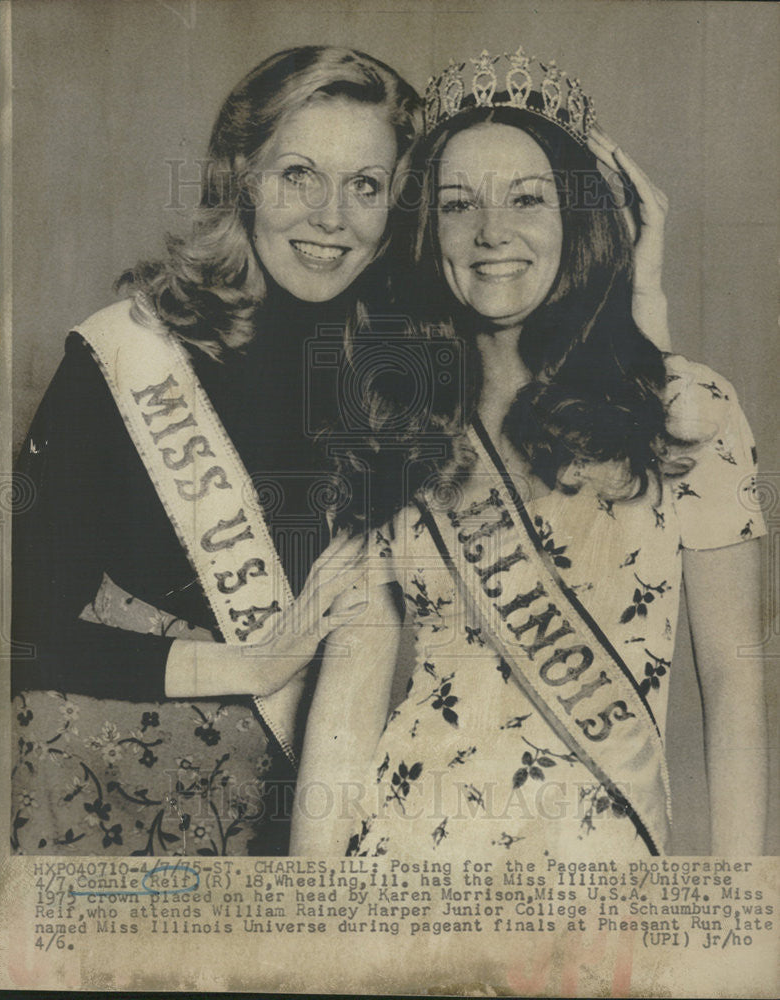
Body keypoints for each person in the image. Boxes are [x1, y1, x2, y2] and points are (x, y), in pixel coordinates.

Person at [291, 49, 768, 858]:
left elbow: (734, 686)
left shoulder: (686, 414)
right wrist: (304, 928)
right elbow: (346, 704)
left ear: (575, 219)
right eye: (456, 204)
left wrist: (737, 912)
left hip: (599, 889)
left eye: (527, 199)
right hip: (403, 879)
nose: (491, 233)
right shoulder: (393, 419)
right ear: (426, 228)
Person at [10, 46, 418, 856]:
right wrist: (252, 664)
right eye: (298, 173)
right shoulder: (123, 357)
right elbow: (20, 629)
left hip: (298, 822)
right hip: (113, 809)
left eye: (364, 185)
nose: (331, 216)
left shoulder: (396, 381)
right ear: (241, 179)